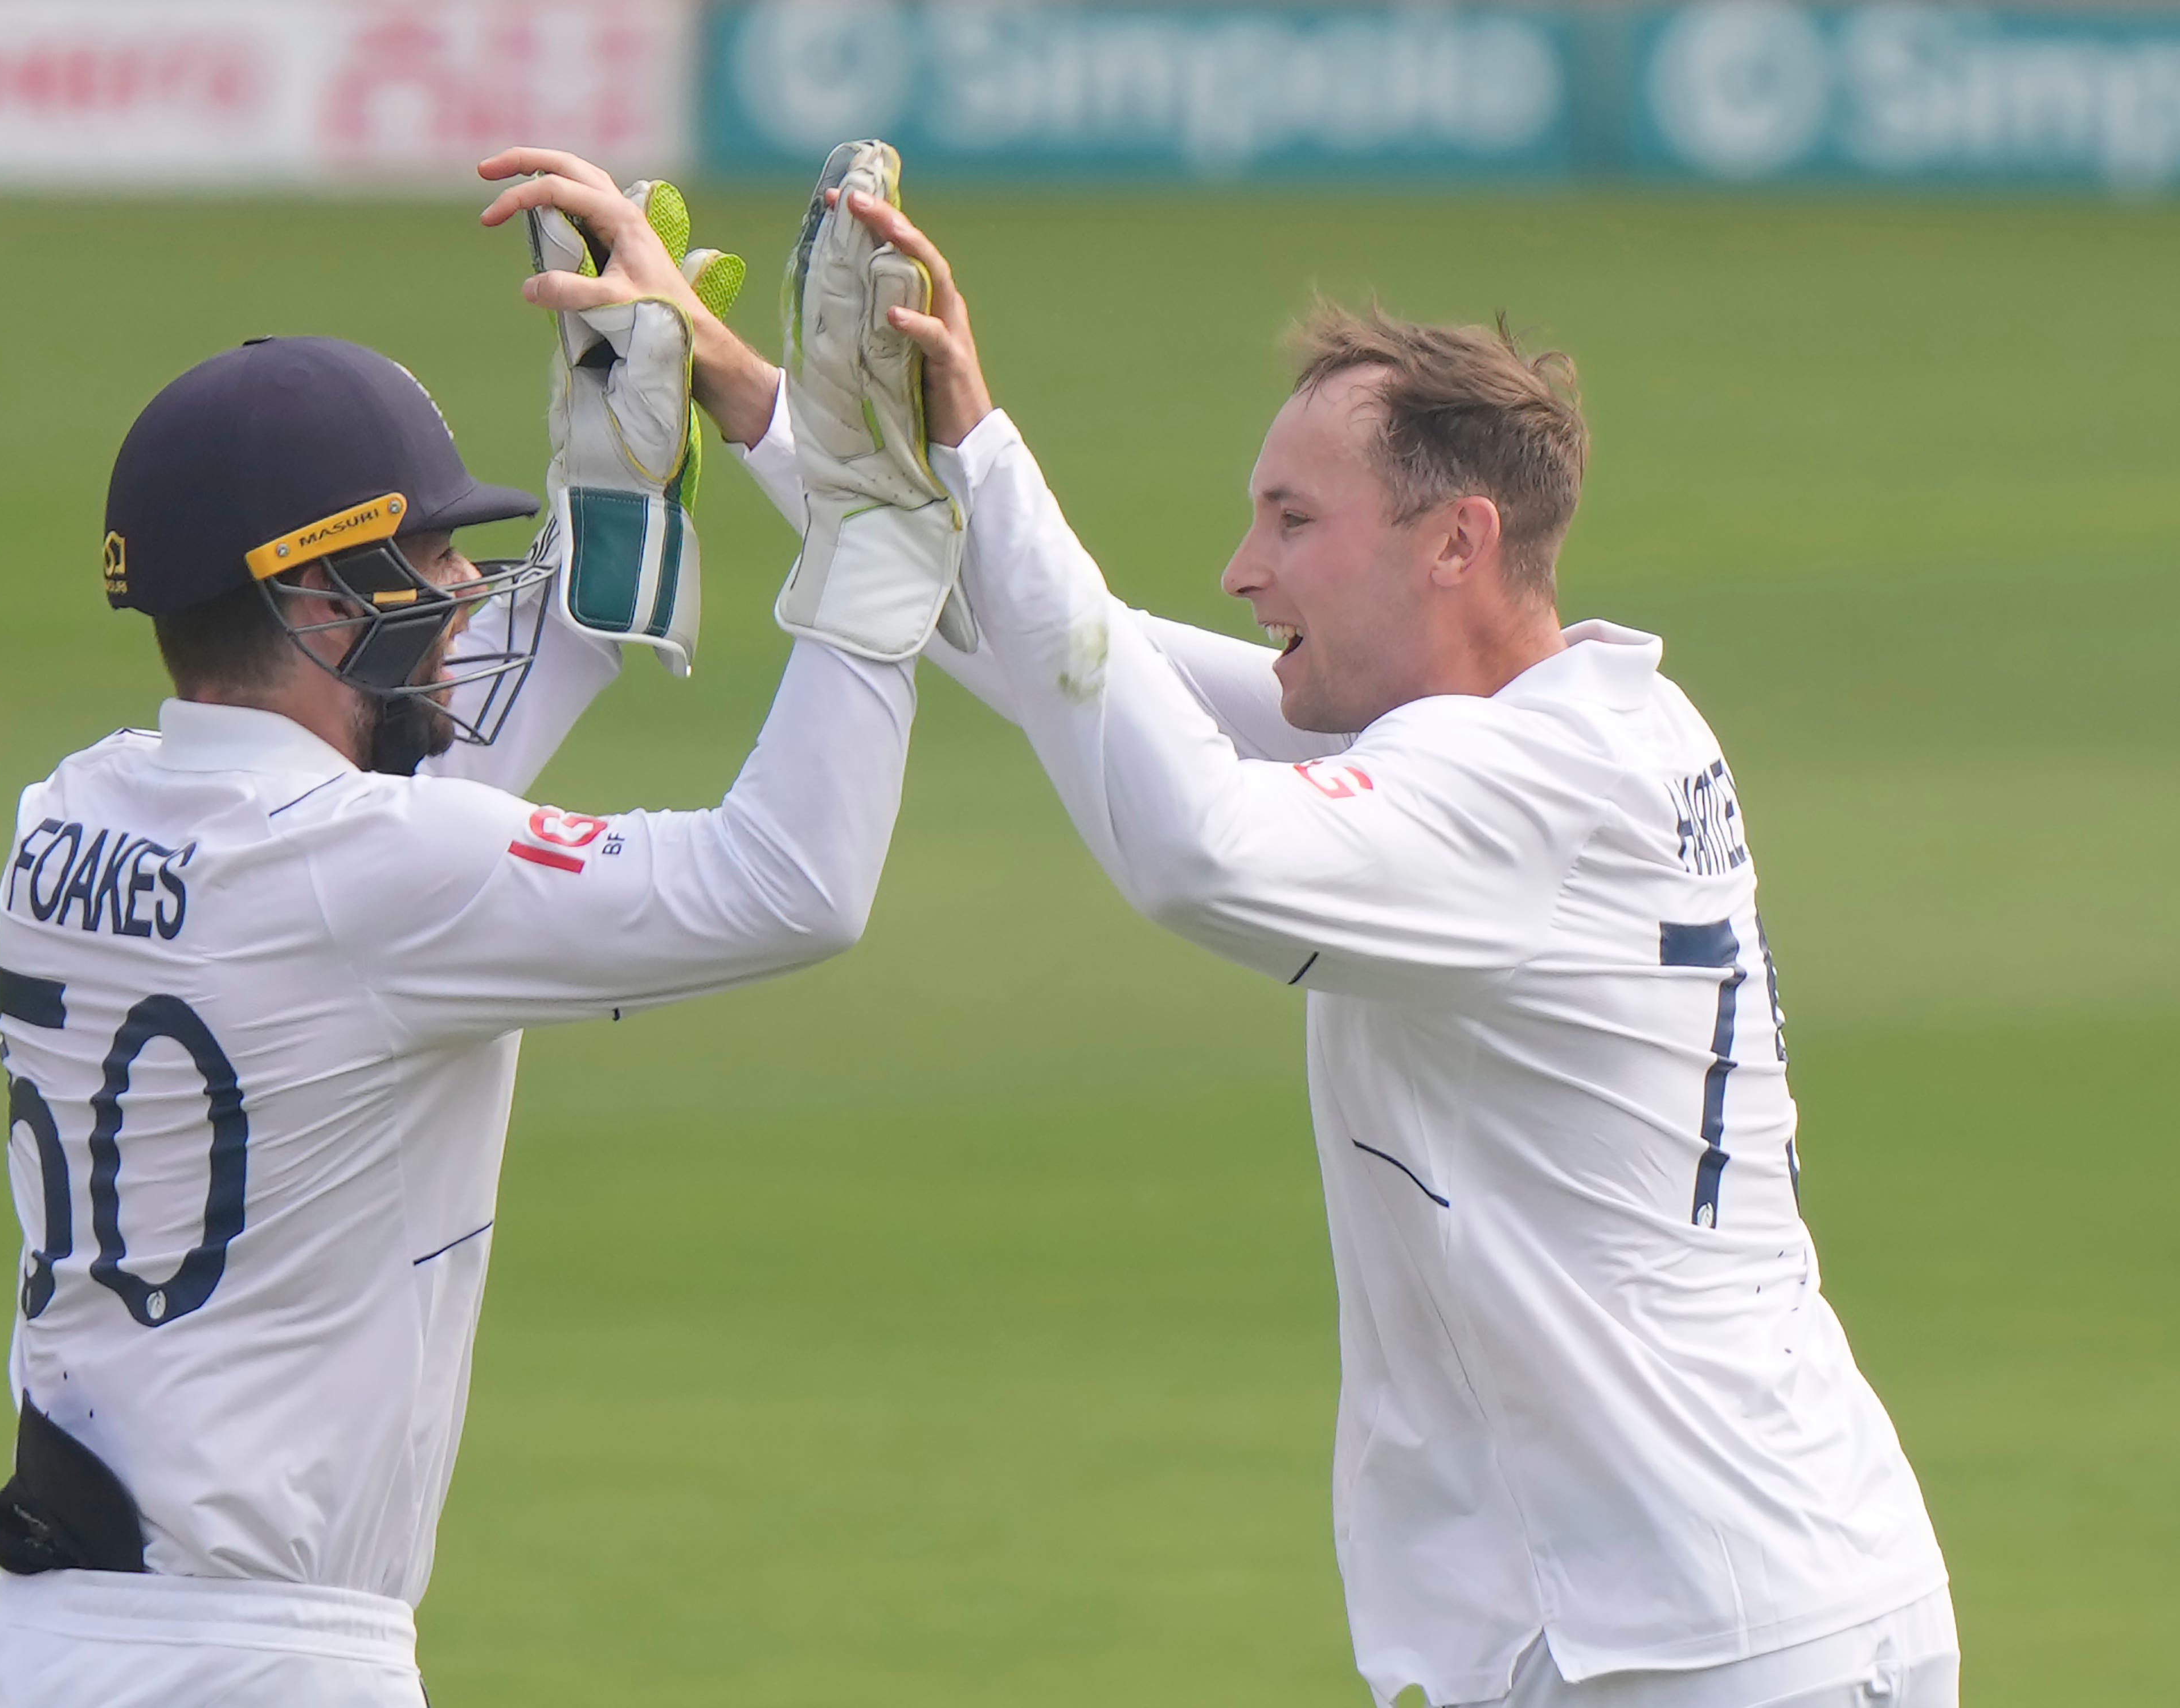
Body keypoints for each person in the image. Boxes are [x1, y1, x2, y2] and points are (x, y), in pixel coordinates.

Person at [665, 154, 1956, 1708]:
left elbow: (1189, 852)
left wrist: (984, 449)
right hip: (1707, 1603)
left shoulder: (1524, 787)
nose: (1241, 568)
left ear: (1454, 543)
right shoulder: (1569, 730)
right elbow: (1073, 662)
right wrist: (746, 397)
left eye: (1291, 520)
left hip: (1707, 1635)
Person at [0, 167, 958, 1705]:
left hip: (48, 1648)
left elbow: (425, 765)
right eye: (423, 560)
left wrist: (616, 472)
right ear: (312, 600)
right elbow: (795, 884)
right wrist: (874, 535)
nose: (459, 589)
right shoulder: (365, 875)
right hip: (264, 1660)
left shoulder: (64, 820)